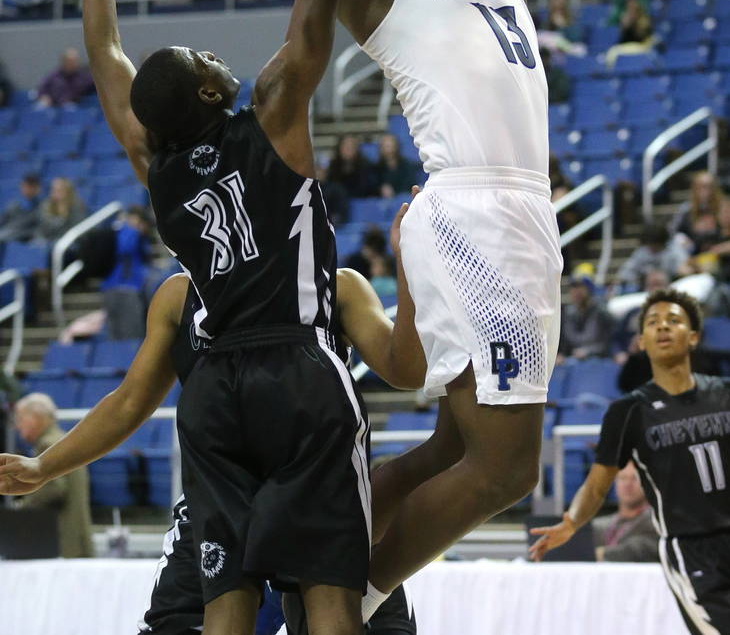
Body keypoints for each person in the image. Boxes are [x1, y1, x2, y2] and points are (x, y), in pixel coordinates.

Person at [225, 0, 576, 619]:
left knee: (455, 451)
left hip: (515, 219)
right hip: (472, 215)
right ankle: (353, 600)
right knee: (504, 469)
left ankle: (321, 567)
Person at [49, 0, 405, 635]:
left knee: (227, 612)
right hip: (297, 367)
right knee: (330, 597)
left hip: (213, 392)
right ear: (213, 90)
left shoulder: (153, 161)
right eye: (209, 57)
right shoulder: (277, 116)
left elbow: (103, 53)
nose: (221, 56)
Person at [0, 207, 424, 635]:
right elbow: (129, 401)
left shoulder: (334, 282)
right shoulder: (179, 295)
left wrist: (409, 269)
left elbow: (407, 370)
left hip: (314, 486)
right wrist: (43, 465)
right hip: (221, 496)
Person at [530, 288, 730, 635]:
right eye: (652, 322)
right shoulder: (629, 411)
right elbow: (598, 484)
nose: (662, 327)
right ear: (641, 341)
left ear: (693, 337)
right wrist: (571, 522)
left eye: (673, 321)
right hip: (689, 547)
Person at [11, 393, 93, 558]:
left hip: (63, 539)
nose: (17, 426)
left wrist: (21, 507)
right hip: (78, 536)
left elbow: (55, 489)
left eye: (20, 419)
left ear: (34, 417)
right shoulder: (64, 441)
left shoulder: (48, 445)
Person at [100, 206, 154, 340]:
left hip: (120, 289)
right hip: (124, 288)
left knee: (129, 336)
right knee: (125, 337)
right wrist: (132, 229)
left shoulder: (133, 236)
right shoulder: (125, 232)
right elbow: (125, 248)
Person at [591, 461, 659, 562]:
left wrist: (600, 554)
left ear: (648, 484)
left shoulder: (656, 521)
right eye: (622, 478)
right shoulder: (598, 525)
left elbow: (641, 549)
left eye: (635, 478)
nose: (627, 484)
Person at [616, 222, 690, 292]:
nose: (652, 248)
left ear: (662, 242)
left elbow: (685, 267)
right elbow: (625, 272)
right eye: (650, 245)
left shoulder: (673, 251)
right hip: (645, 289)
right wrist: (640, 279)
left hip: (670, 286)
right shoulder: (642, 252)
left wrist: (680, 271)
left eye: (655, 245)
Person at [557, 272, 614, 360]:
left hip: (599, 361)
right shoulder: (567, 314)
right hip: (572, 362)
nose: (576, 292)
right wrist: (561, 354)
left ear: (589, 290)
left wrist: (589, 352)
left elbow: (611, 342)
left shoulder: (602, 313)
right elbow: (564, 343)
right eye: (573, 288)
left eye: (580, 287)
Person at [35, 176, 86, 244]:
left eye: (59, 190)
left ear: (68, 191)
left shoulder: (77, 207)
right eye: (53, 190)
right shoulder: (45, 206)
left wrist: (64, 215)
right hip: (48, 240)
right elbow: (41, 228)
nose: (55, 193)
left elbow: (76, 230)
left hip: (68, 243)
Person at [369, 133, 418, 199]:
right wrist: (380, 190)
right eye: (385, 147)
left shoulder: (407, 166)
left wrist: (395, 192)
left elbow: (411, 185)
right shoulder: (375, 169)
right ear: (380, 149)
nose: (388, 151)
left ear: (396, 147)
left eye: (390, 146)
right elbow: (370, 189)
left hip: (402, 201)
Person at [326, 134, 375, 199]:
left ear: (357, 150)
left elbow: (368, 189)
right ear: (339, 148)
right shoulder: (333, 166)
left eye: (352, 147)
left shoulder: (365, 166)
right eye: (345, 146)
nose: (348, 150)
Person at [0, 172, 42, 243]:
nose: (25, 189)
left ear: (37, 188)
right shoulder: (14, 205)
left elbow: (37, 229)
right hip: (6, 234)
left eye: (29, 186)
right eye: (24, 186)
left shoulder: (42, 207)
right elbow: (2, 220)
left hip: (20, 239)